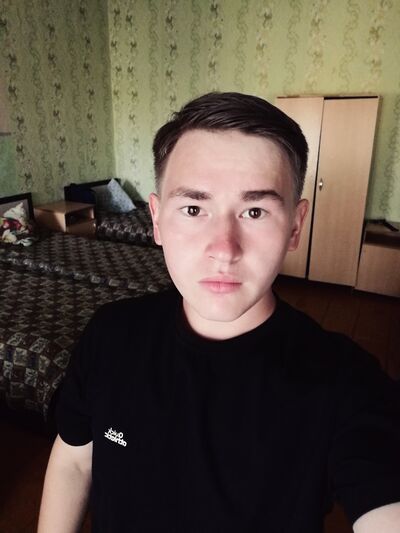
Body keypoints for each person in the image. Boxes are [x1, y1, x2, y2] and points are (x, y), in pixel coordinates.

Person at [38, 92, 400, 532]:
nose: (224, 249)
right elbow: (75, 461)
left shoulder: (346, 383)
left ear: (295, 226)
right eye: (194, 208)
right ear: (157, 220)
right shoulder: (109, 335)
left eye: (255, 211)